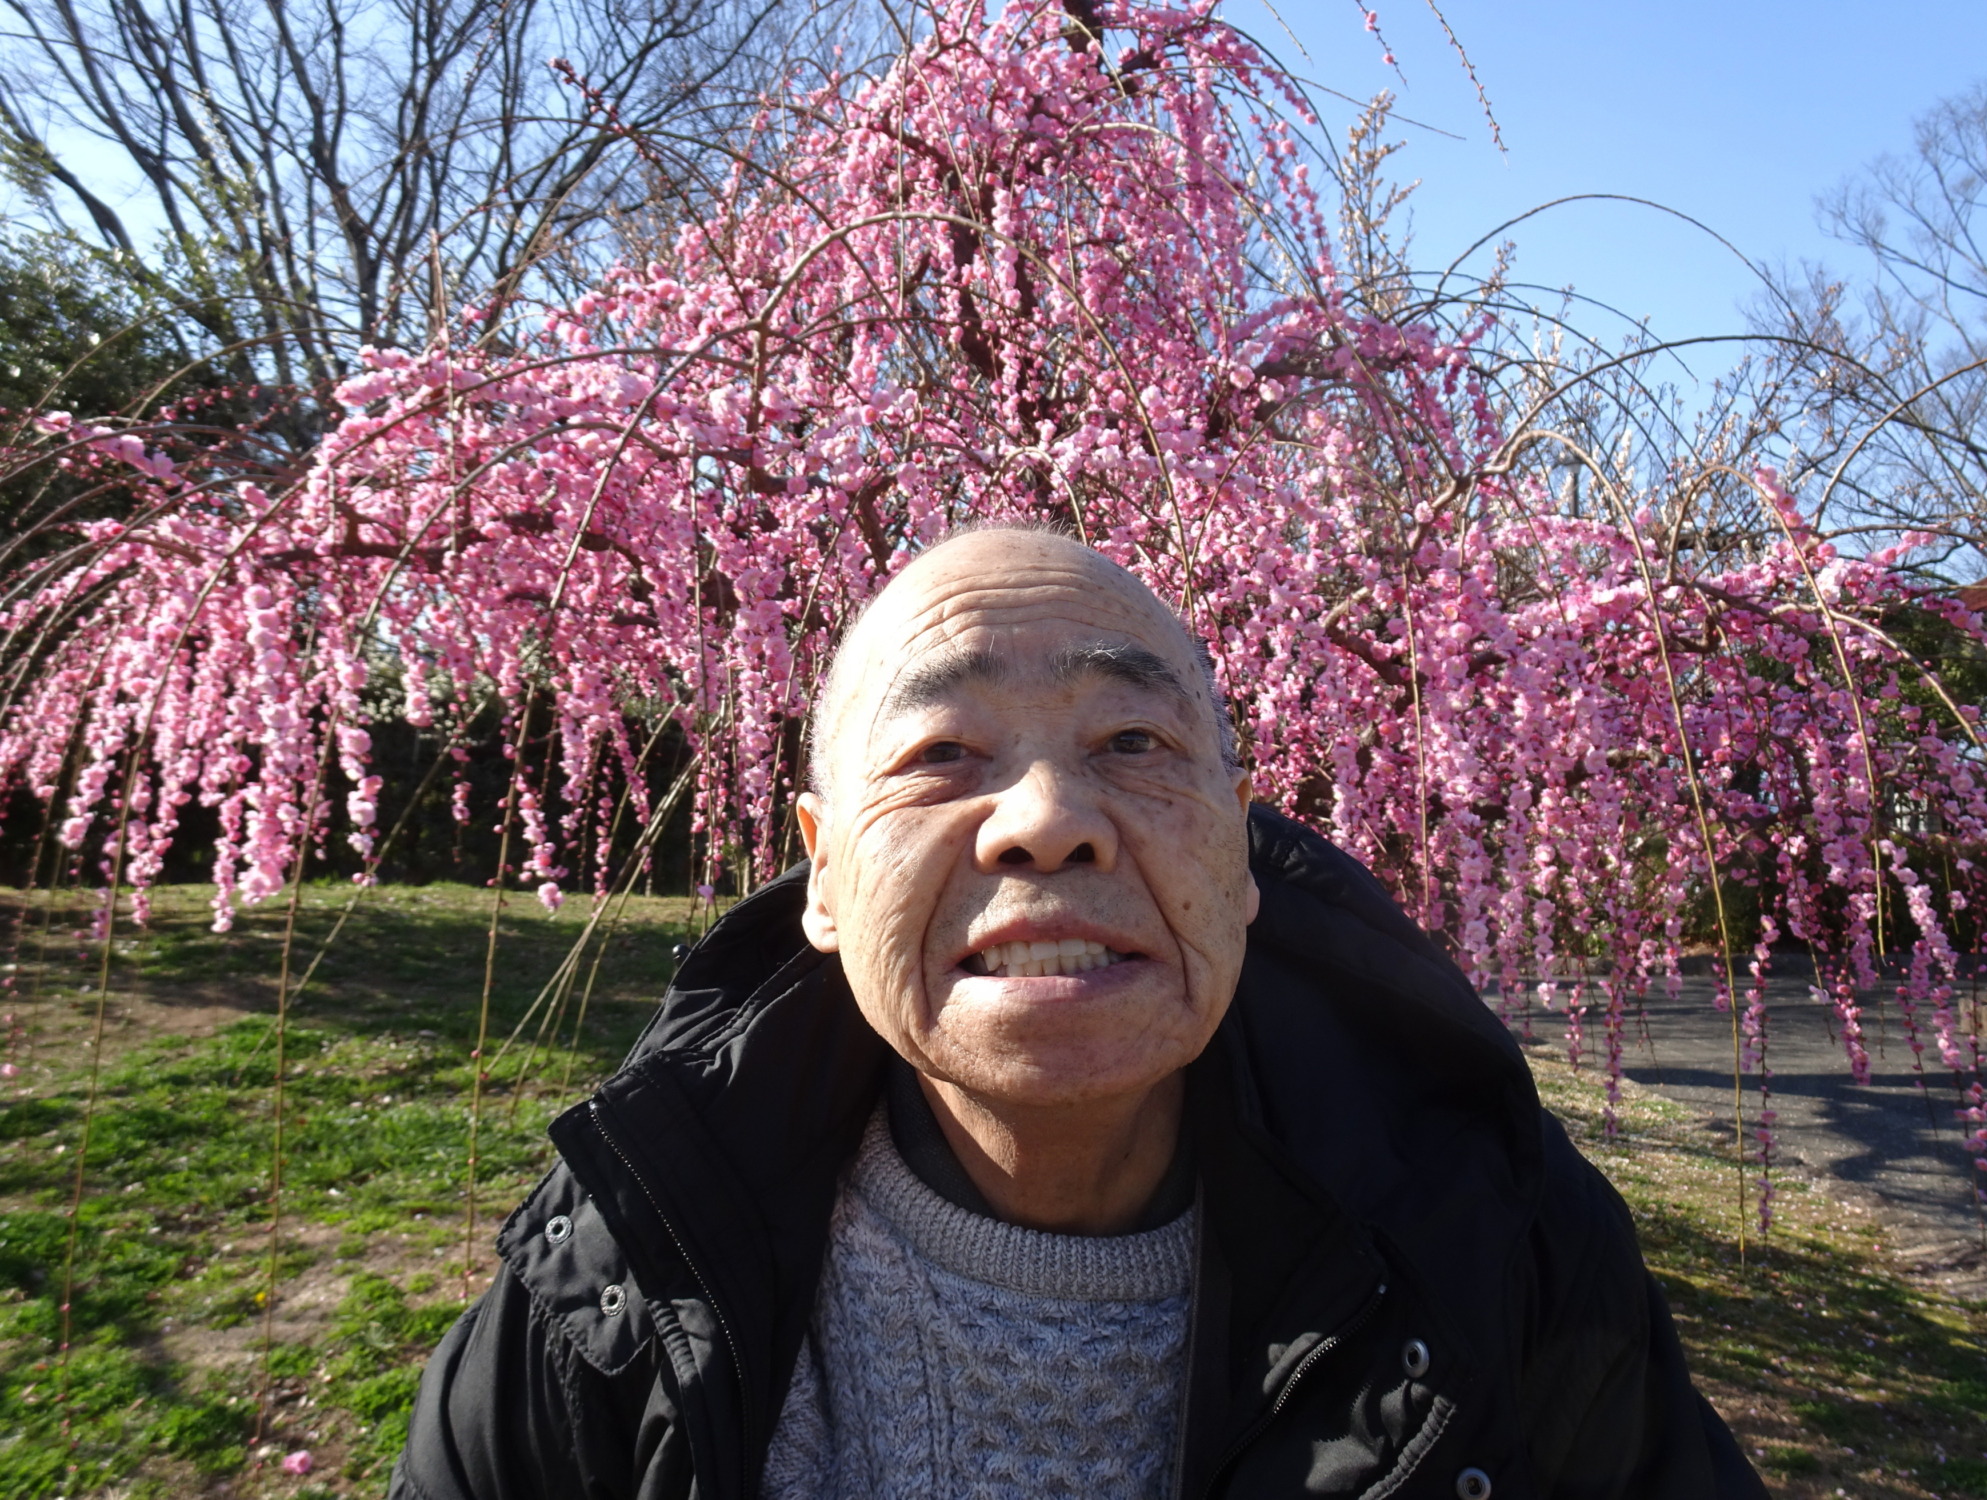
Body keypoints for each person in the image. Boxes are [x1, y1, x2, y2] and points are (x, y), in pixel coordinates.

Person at [391, 526, 1768, 1500]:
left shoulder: (1496, 1242)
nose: (1049, 823)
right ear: (820, 875)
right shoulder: (611, 1284)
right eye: (942, 754)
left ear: (1242, 858)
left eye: (1132, 743)